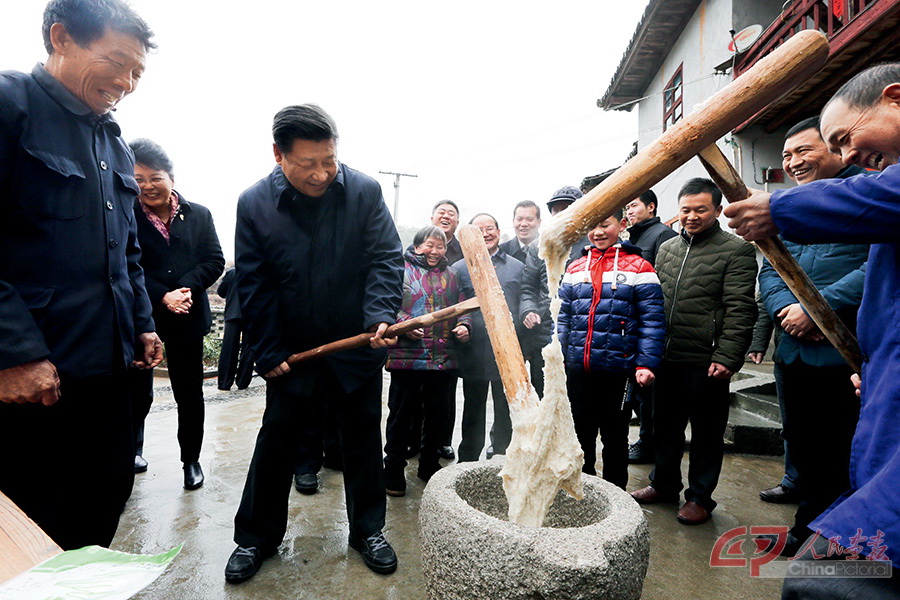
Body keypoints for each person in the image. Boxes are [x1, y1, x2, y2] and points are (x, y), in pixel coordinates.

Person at [723, 63, 900, 598]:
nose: (848, 157)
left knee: (826, 580)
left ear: (894, 99)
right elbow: (774, 270)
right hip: (869, 373)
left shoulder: (856, 199)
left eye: (843, 138)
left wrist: (777, 208)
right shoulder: (844, 201)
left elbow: (866, 264)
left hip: (835, 351)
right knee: (814, 457)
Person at [0, 0, 161, 550]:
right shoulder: (9, 105)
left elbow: (128, 254)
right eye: (116, 61)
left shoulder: (111, 141)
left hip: (109, 379)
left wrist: (142, 324)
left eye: (137, 72)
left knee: (98, 512)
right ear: (61, 37)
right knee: (30, 528)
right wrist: (13, 353)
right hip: (32, 388)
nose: (126, 81)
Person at [225, 104, 403, 583]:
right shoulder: (255, 203)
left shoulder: (363, 191)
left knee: (363, 440)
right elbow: (255, 282)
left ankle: (368, 530)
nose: (323, 173)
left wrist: (380, 316)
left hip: (356, 346)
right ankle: (256, 538)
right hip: (294, 351)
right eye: (309, 164)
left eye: (330, 160)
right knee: (277, 440)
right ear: (279, 155)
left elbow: (386, 258)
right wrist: (267, 348)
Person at [755, 117, 867, 556]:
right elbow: (771, 266)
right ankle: (808, 526)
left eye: (804, 150)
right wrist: (786, 309)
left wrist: (818, 312)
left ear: (837, 147)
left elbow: (874, 268)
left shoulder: (866, 195)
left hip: (846, 354)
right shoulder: (789, 206)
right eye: (786, 156)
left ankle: (829, 536)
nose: (794, 162)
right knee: (802, 442)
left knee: (840, 449)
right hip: (794, 351)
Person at [631, 178, 757, 526]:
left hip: (707, 361)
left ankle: (700, 498)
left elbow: (741, 309)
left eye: (700, 209)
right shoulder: (667, 249)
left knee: (706, 433)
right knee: (663, 427)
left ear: (716, 210)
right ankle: (664, 485)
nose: (691, 216)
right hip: (666, 357)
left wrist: (728, 356)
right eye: (685, 209)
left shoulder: (737, 251)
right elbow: (654, 303)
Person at [128, 138, 225, 489]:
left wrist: (184, 289)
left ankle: (191, 461)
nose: (147, 186)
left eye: (155, 177)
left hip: (187, 316)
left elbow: (213, 260)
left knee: (189, 394)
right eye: (138, 179)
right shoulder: (126, 214)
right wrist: (162, 295)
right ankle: (132, 452)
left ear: (171, 177)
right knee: (137, 392)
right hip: (143, 318)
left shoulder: (198, 214)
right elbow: (127, 266)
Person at [557, 209, 665, 489]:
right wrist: (559, 356)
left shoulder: (640, 267)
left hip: (619, 370)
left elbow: (652, 320)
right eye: (593, 227)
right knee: (580, 434)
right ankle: (582, 490)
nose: (599, 232)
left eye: (605, 224)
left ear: (622, 224)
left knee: (615, 436)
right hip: (579, 368)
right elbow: (564, 316)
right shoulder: (575, 267)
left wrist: (646, 364)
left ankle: (616, 495)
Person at [383, 226, 470, 496]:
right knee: (400, 416)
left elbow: (464, 306)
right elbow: (387, 304)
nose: (434, 251)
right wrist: (403, 325)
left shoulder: (453, 274)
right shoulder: (401, 269)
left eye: (440, 246)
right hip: (407, 358)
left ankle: (428, 465)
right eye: (429, 245)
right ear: (417, 246)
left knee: (438, 416)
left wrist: (465, 325)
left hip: (443, 359)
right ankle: (393, 468)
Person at [453, 213, 525, 462]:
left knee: (505, 408)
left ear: (498, 230)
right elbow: (455, 305)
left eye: (490, 228)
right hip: (473, 349)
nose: (486, 233)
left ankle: (501, 456)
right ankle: (468, 459)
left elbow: (524, 299)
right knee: (473, 408)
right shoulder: (459, 268)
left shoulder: (517, 266)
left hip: (506, 351)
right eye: (479, 229)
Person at [404, 199, 463, 461]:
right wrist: (404, 324)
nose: (446, 216)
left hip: (445, 346)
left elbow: (462, 300)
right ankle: (411, 442)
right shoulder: (406, 265)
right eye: (442, 212)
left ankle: (440, 444)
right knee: (410, 402)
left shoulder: (460, 255)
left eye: (452, 213)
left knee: (442, 401)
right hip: (412, 349)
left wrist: (463, 324)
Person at [623, 189, 678, 465]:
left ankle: (649, 444)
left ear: (651, 207)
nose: (629, 211)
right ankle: (647, 441)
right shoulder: (633, 237)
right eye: (627, 208)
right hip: (630, 327)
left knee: (649, 396)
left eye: (634, 205)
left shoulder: (661, 235)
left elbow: (662, 287)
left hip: (650, 327)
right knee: (637, 394)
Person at [500, 200, 552, 398]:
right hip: (513, 332)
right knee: (511, 393)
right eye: (519, 219)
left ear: (539, 221)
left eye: (529, 219)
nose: (524, 224)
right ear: (513, 221)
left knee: (543, 389)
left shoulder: (551, 246)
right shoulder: (502, 251)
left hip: (543, 331)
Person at [217, 268, 255, 391]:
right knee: (248, 349)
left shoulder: (232, 272)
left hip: (233, 313)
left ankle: (224, 383)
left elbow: (221, 292)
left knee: (229, 348)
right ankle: (243, 382)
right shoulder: (257, 272)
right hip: (251, 315)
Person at [546, 185, 590, 261]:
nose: (560, 214)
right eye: (555, 210)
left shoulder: (594, 241)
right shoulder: (540, 246)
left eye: (566, 208)